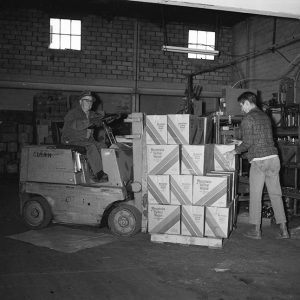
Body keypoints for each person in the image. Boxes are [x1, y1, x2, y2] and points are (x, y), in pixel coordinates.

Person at [225, 91, 290, 239]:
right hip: (273, 159)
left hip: (260, 161)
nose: (242, 109)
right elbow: (259, 140)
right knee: (276, 194)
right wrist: (240, 143)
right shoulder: (265, 116)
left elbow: (249, 143)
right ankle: (284, 229)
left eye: (242, 105)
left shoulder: (248, 118)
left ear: (247, 103)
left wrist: (234, 152)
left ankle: (256, 230)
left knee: (256, 195)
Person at [61, 90, 107, 182]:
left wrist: (109, 118)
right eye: (87, 100)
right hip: (71, 140)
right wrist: (90, 121)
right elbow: (76, 125)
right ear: (80, 101)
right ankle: (99, 173)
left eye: (91, 101)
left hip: (86, 140)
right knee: (91, 147)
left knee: (103, 146)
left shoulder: (91, 113)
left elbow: (99, 118)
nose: (89, 103)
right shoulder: (73, 113)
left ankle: (101, 170)